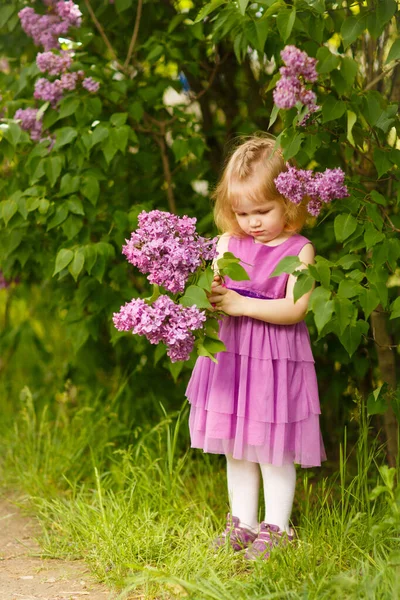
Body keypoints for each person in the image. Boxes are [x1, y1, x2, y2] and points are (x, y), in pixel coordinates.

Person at [185, 135, 326, 561]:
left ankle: (278, 528)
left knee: (272, 448)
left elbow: (296, 308)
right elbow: (214, 294)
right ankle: (242, 522)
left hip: (275, 360)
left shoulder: (299, 250)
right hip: (233, 356)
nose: (252, 222)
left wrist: (241, 303)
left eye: (263, 211)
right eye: (242, 213)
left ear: (290, 203)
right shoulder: (228, 244)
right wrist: (201, 293)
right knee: (236, 445)